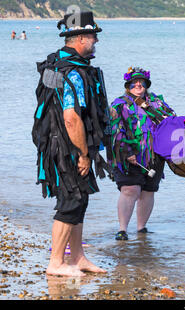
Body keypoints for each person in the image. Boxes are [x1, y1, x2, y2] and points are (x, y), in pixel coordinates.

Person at [32, 11, 111, 276]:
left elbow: (49, 105)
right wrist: (83, 154)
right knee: (71, 200)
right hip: (68, 149)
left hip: (53, 144)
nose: (95, 41)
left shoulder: (54, 64)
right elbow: (70, 117)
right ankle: (56, 263)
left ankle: (77, 257)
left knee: (81, 200)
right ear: (78, 38)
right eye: (92, 36)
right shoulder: (74, 72)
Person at [108, 67, 175, 240]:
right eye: (134, 83)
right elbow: (115, 130)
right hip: (128, 156)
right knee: (130, 189)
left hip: (155, 155)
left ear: (146, 84)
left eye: (141, 82)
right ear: (128, 85)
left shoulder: (157, 102)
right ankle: (122, 229)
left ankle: (141, 229)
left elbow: (170, 121)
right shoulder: (119, 103)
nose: (138, 85)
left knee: (148, 191)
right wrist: (126, 151)